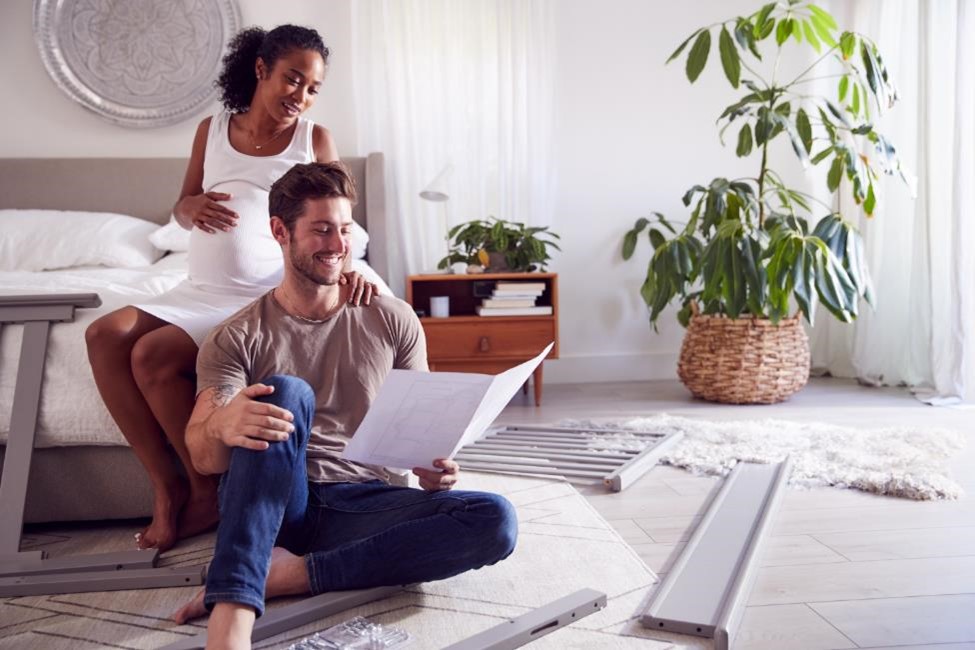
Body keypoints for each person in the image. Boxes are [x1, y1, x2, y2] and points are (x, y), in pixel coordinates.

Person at [170, 162, 518, 648]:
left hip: (367, 501)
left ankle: (290, 575)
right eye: (321, 230)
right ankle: (233, 615)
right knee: (287, 392)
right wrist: (222, 425)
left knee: (495, 519)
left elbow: (421, 424)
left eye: (345, 230)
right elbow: (203, 456)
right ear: (279, 231)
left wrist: (436, 468)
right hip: (281, 503)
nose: (337, 245)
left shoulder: (391, 317)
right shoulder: (235, 337)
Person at [85, 25, 376, 553]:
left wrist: (349, 266)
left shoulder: (315, 140)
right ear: (261, 70)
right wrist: (188, 208)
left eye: (312, 87)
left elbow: (339, 218)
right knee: (104, 334)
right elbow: (183, 202)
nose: (301, 96)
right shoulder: (212, 130)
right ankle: (166, 482)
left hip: (258, 295)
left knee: (151, 356)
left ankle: (197, 492)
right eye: (292, 79)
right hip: (197, 288)